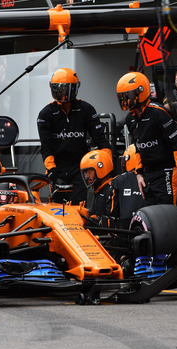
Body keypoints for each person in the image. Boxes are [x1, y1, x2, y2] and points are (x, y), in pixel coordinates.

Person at [38, 68, 110, 204]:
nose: (60, 92)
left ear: (73, 89)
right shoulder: (46, 114)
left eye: (64, 89)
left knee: (79, 205)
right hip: (57, 166)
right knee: (57, 206)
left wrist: (106, 164)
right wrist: (51, 169)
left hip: (80, 166)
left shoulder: (86, 109)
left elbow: (100, 139)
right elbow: (46, 147)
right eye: (57, 88)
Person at [118, 71, 177, 205]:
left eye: (128, 95)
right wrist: (138, 174)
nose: (125, 100)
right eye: (123, 96)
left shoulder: (158, 113)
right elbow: (137, 147)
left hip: (167, 170)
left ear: (141, 92)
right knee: (151, 212)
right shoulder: (130, 118)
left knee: (168, 210)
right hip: (147, 173)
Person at [110, 144, 148, 229]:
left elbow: (112, 210)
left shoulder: (118, 180)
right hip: (149, 225)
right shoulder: (153, 178)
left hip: (124, 229)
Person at [79, 149, 115, 225]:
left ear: (100, 169)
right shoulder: (99, 189)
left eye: (89, 172)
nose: (86, 176)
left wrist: (92, 220)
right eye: (85, 173)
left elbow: (109, 221)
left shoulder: (111, 190)